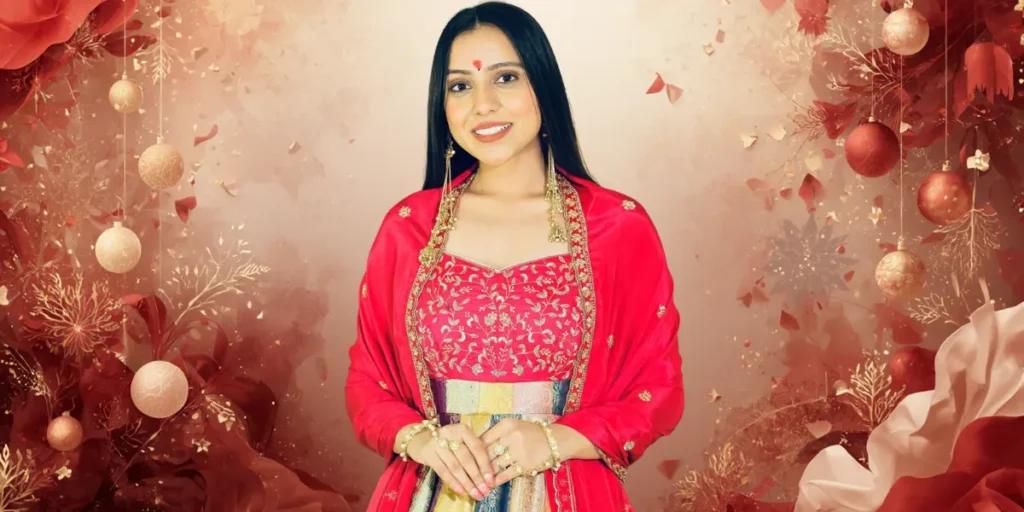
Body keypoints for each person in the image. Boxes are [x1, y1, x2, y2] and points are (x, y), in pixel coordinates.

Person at [344, 3, 685, 511]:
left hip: (567, 491)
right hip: (429, 494)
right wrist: (423, 441)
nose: (483, 105)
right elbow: (366, 383)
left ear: (543, 87)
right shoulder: (410, 229)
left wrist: (554, 440)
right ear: (443, 104)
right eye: (460, 86)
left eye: (505, 78)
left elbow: (657, 390)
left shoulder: (617, 229)